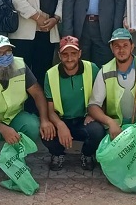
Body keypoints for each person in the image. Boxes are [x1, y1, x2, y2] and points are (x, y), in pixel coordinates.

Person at [0, 35, 56, 178]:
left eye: (8, 52)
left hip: (15, 115)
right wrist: (3, 129)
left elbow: (37, 93)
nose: (5, 57)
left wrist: (44, 119)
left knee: (32, 126)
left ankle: (17, 159)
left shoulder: (20, 65)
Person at [88, 28, 136, 144]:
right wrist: (110, 122)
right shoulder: (105, 71)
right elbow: (93, 106)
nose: (121, 50)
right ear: (111, 48)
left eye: (125, 45)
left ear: (132, 47)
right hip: (117, 123)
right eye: (117, 46)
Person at [43, 36, 102, 170]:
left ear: (79, 53)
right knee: (46, 132)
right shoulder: (50, 74)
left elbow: (102, 97)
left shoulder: (92, 68)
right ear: (59, 55)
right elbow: (50, 110)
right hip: (62, 119)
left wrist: (93, 114)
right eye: (65, 54)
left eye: (73, 53)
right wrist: (60, 125)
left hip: (84, 119)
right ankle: (57, 154)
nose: (69, 58)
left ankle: (87, 154)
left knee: (97, 131)